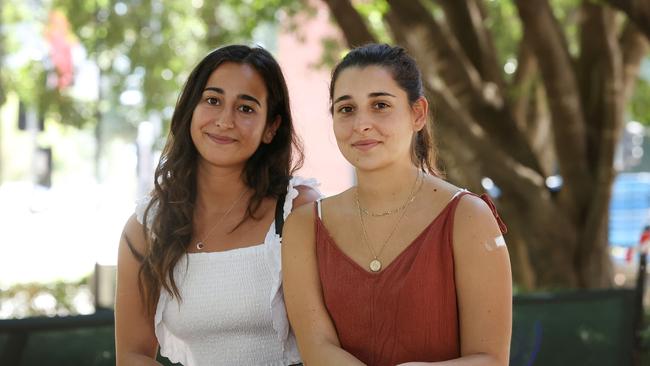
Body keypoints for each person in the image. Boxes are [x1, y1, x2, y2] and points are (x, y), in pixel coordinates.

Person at [282, 44, 512, 365]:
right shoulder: (304, 226)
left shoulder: (468, 217)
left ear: (417, 114)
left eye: (380, 105)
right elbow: (316, 348)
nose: (361, 123)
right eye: (346, 109)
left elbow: (490, 359)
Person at [115, 44, 319, 366]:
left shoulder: (299, 211)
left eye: (246, 108)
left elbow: (331, 346)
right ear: (190, 111)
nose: (225, 121)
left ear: (271, 127)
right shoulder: (146, 227)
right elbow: (132, 355)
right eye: (212, 101)